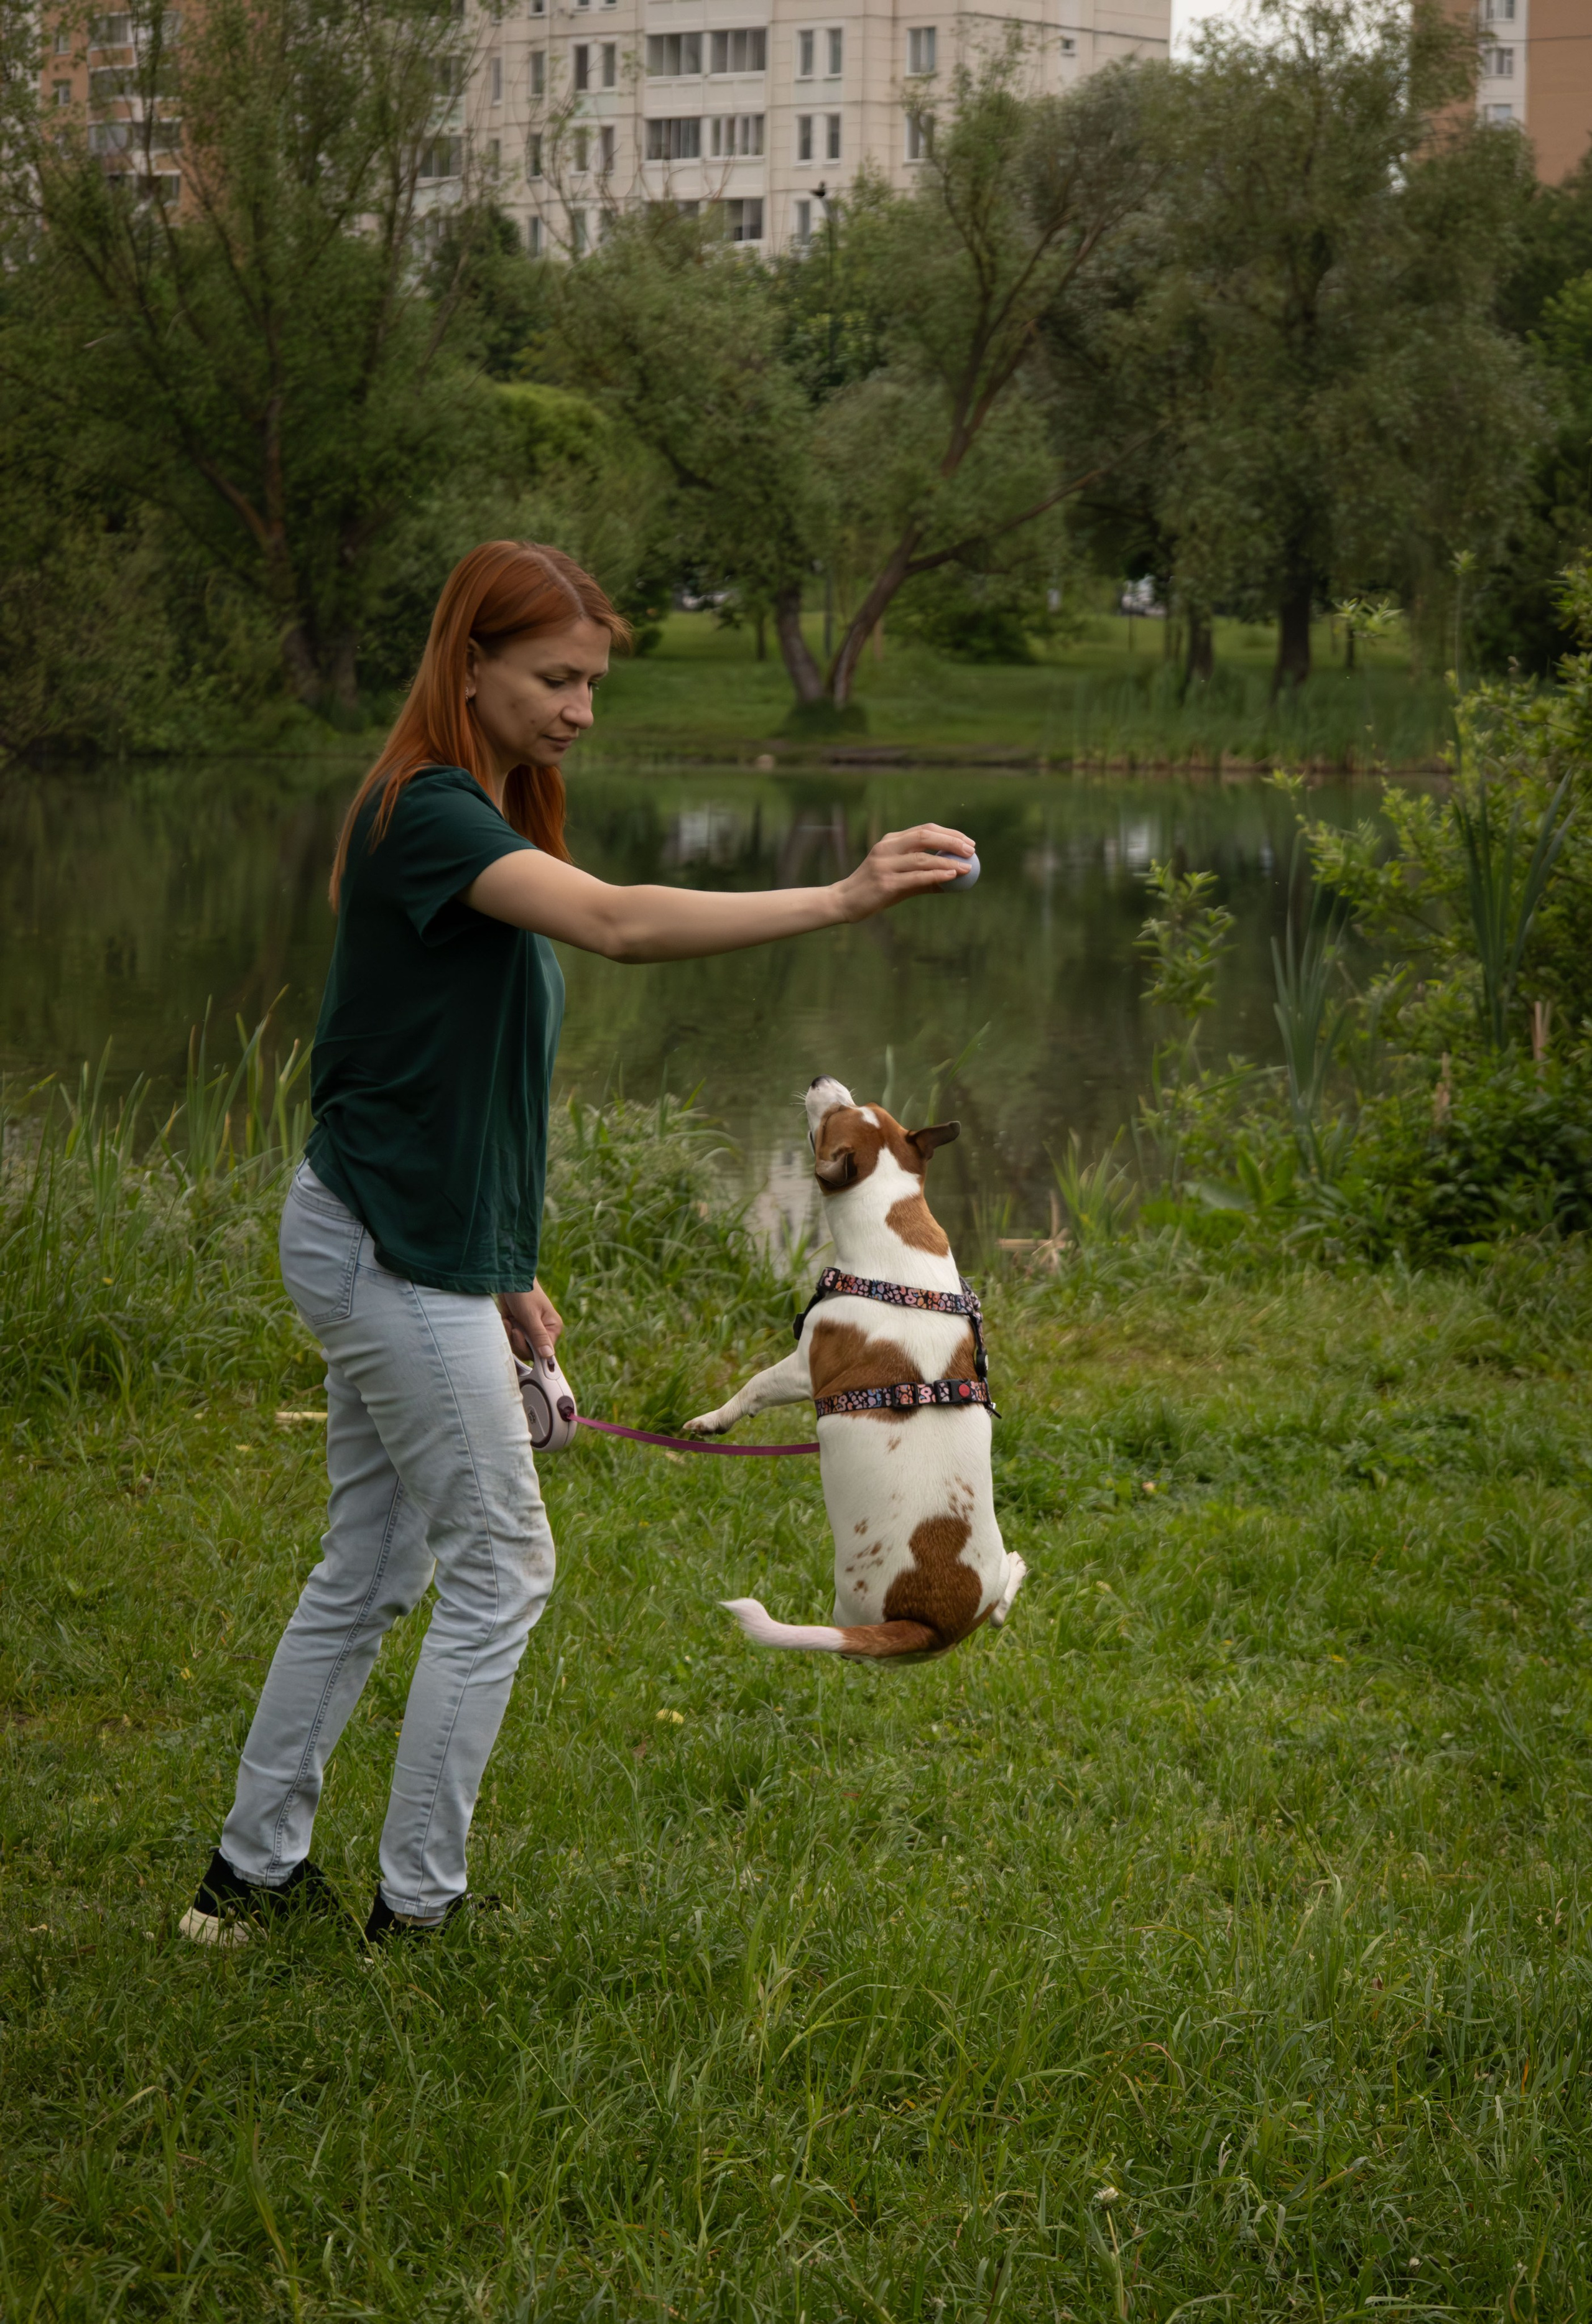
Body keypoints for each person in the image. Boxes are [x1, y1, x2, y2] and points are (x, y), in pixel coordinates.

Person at [180, 539, 975, 1948]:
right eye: (555, 678)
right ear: (466, 664)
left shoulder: (487, 807)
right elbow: (615, 922)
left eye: (592, 681)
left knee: (370, 1567)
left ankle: (246, 1881)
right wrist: (843, 898)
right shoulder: (425, 813)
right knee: (501, 1566)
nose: (582, 709)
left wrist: (506, 1266)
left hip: (411, 1238)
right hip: (381, 1247)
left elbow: (454, 1078)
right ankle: (413, 1908)